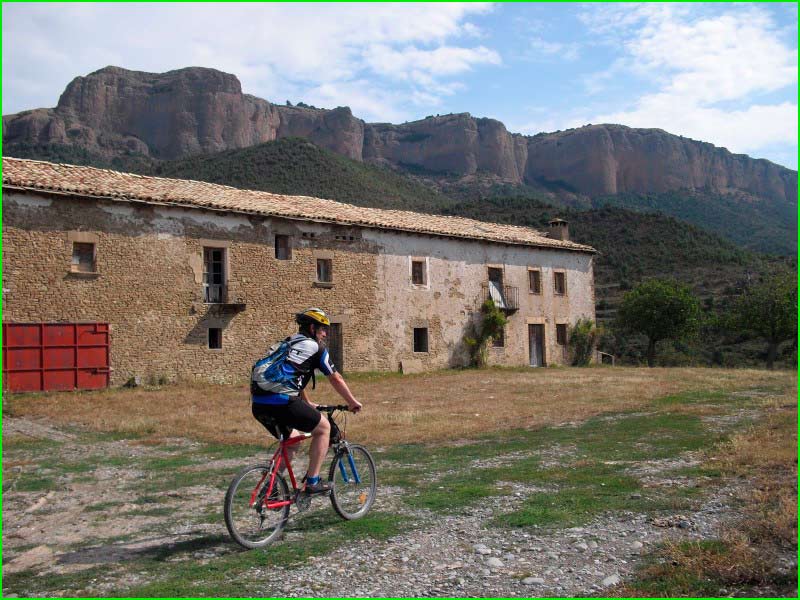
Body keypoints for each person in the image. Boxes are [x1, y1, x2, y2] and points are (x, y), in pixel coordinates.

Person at [251, 308, 362, 494]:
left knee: (293, 440)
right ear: (312, 328)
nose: (325, 333)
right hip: (283, 403)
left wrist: (307, 403)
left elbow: (293, 376)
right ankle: (312, 481)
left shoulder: (287, 343)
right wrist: (352, 401)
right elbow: (335, 378)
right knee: (324, 428)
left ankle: (269, 489)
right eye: (322, 329)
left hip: (259, 404)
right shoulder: (315, 348)